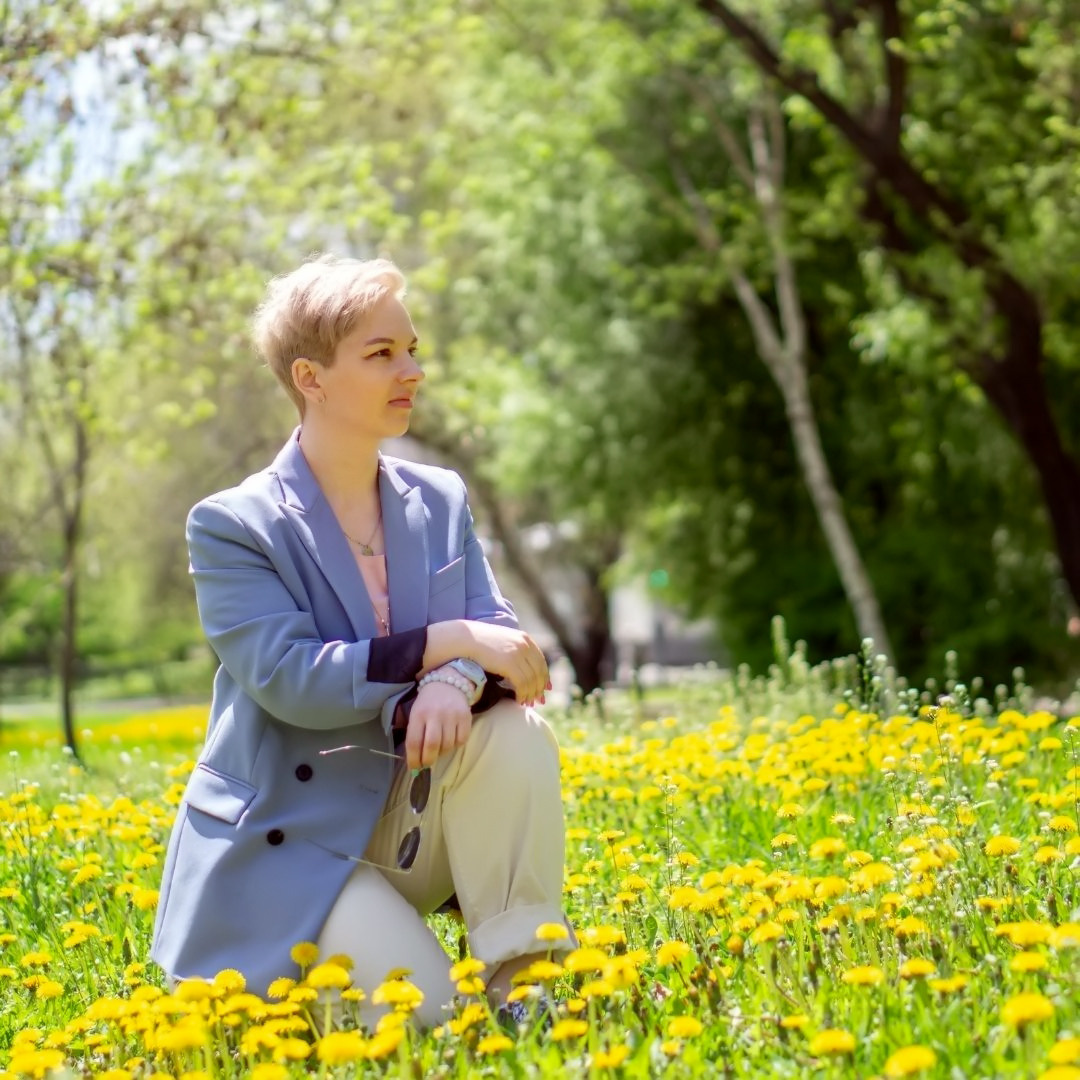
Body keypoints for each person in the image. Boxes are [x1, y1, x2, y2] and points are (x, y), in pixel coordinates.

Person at [150, 254, 575, 1028]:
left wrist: (451, 682)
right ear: (310, 378)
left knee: (515, 731)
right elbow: (290, 678)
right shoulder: (234, 525)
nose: (410, 370)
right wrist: (445, 643)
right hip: (288, 843)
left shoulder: (438, 498)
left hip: (404, 817)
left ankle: (524, 986)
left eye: (412, 349)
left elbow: (500, 639)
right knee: (436, 1026)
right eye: (382, 354)